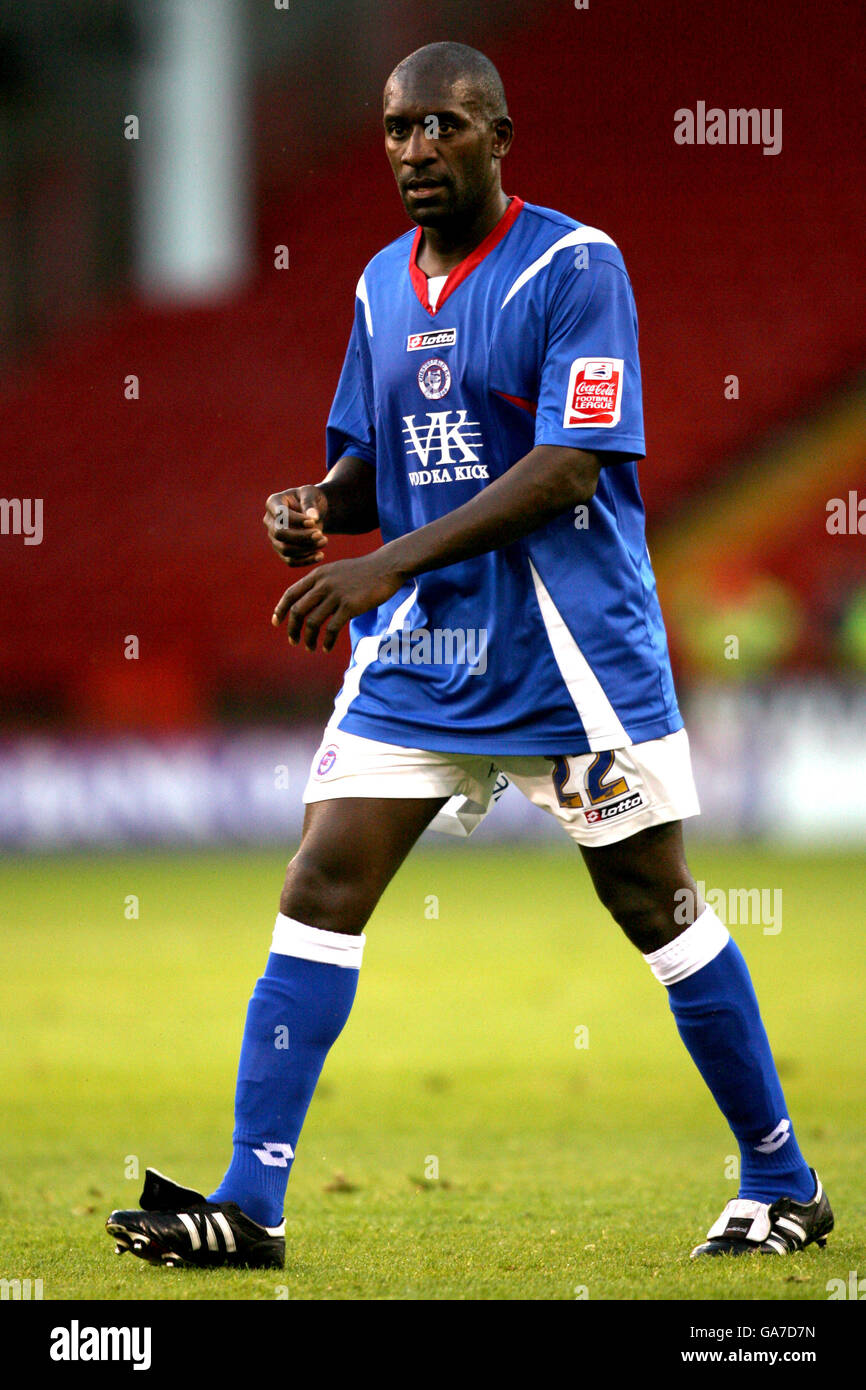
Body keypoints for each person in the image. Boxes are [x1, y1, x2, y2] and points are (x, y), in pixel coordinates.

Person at [106, 41, 832, 1270]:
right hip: (424, 651)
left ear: (499, 135)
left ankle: (780, 1179)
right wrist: (318, 508)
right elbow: (369, 466)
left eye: (441, 126)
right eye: (395, 130)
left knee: (648, 900)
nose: (414, 151)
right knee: (321, 880)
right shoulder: (380, 282)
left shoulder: (572, 264)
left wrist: (380, 559)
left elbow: (568, 466)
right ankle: (250, 1202)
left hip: (567, 653)